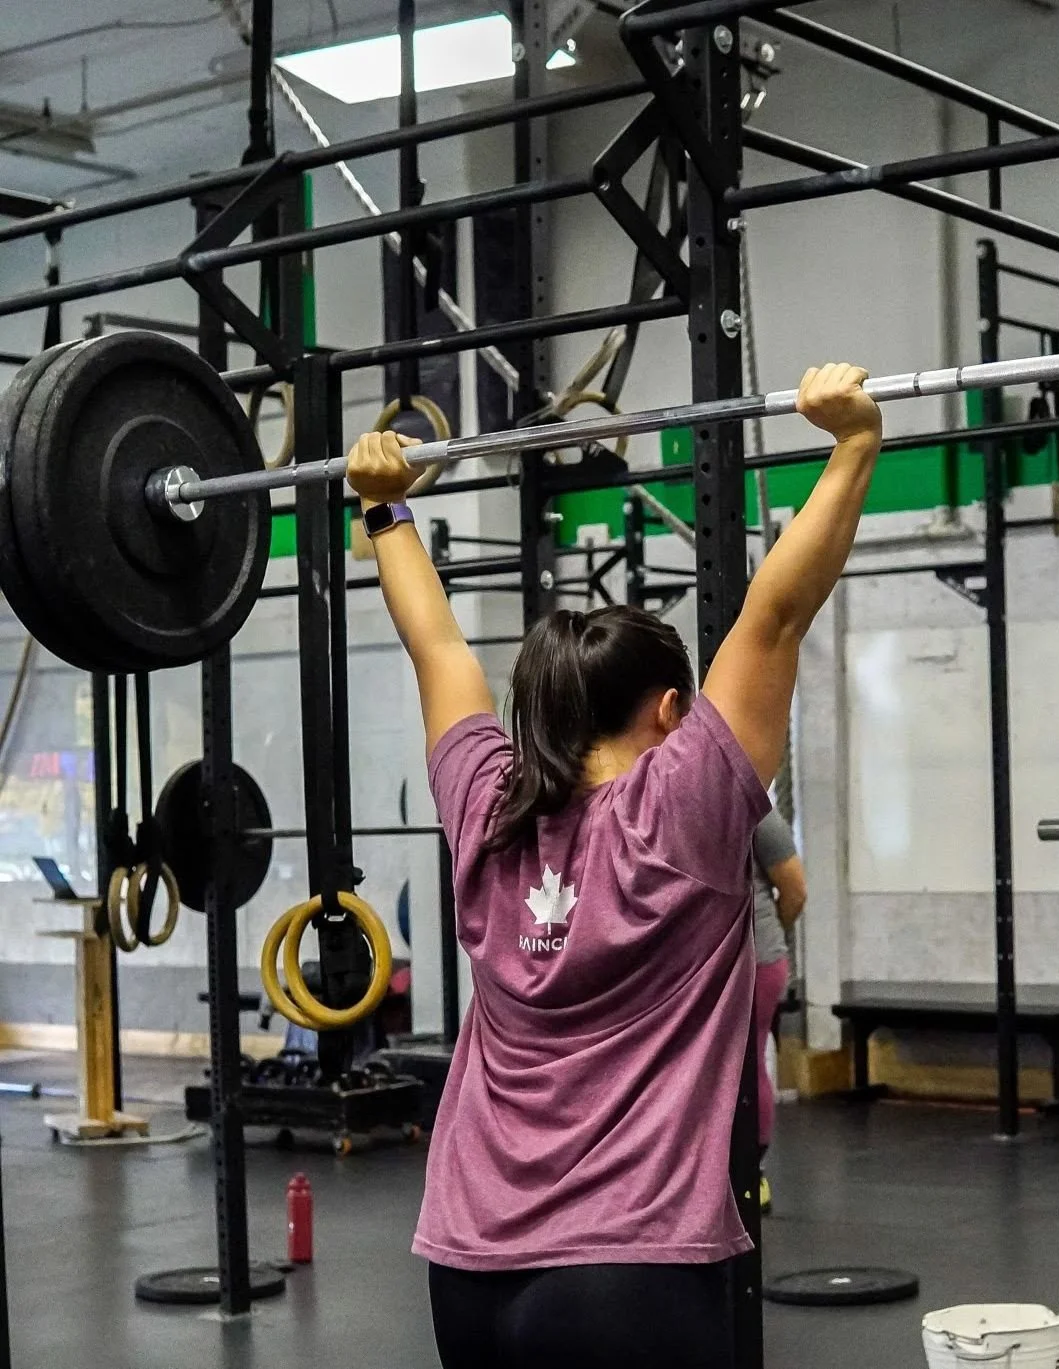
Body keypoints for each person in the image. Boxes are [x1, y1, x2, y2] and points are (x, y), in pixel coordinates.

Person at [346, 362, 882, 1369]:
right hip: (628, 1271)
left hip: (467, 1268)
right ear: (670, 712)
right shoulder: (680, 809)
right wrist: (852, 441)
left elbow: (438, 651)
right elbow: (771, 616)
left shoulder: (486, 805)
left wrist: (383, 512)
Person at [750, 808, 805, 1215]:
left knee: (746, 1062)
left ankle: (754, 1171)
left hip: (757, 959)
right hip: (695, 960)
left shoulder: (758, 813)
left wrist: (767, 936)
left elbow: (795, 891)